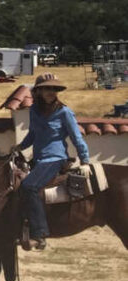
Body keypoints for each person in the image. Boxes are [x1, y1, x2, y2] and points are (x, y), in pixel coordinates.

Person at [16, 73, 91, 250]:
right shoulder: (34, 111)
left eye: (54, 89)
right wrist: (19, 147)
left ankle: (40, 235)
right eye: (47, 88)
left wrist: (85, 161)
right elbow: (33, 134)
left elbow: (76, 137)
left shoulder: (64, 112)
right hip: (39, 159)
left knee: (29, 186)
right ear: (39, 91)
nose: (51, 92)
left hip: (55, 159)